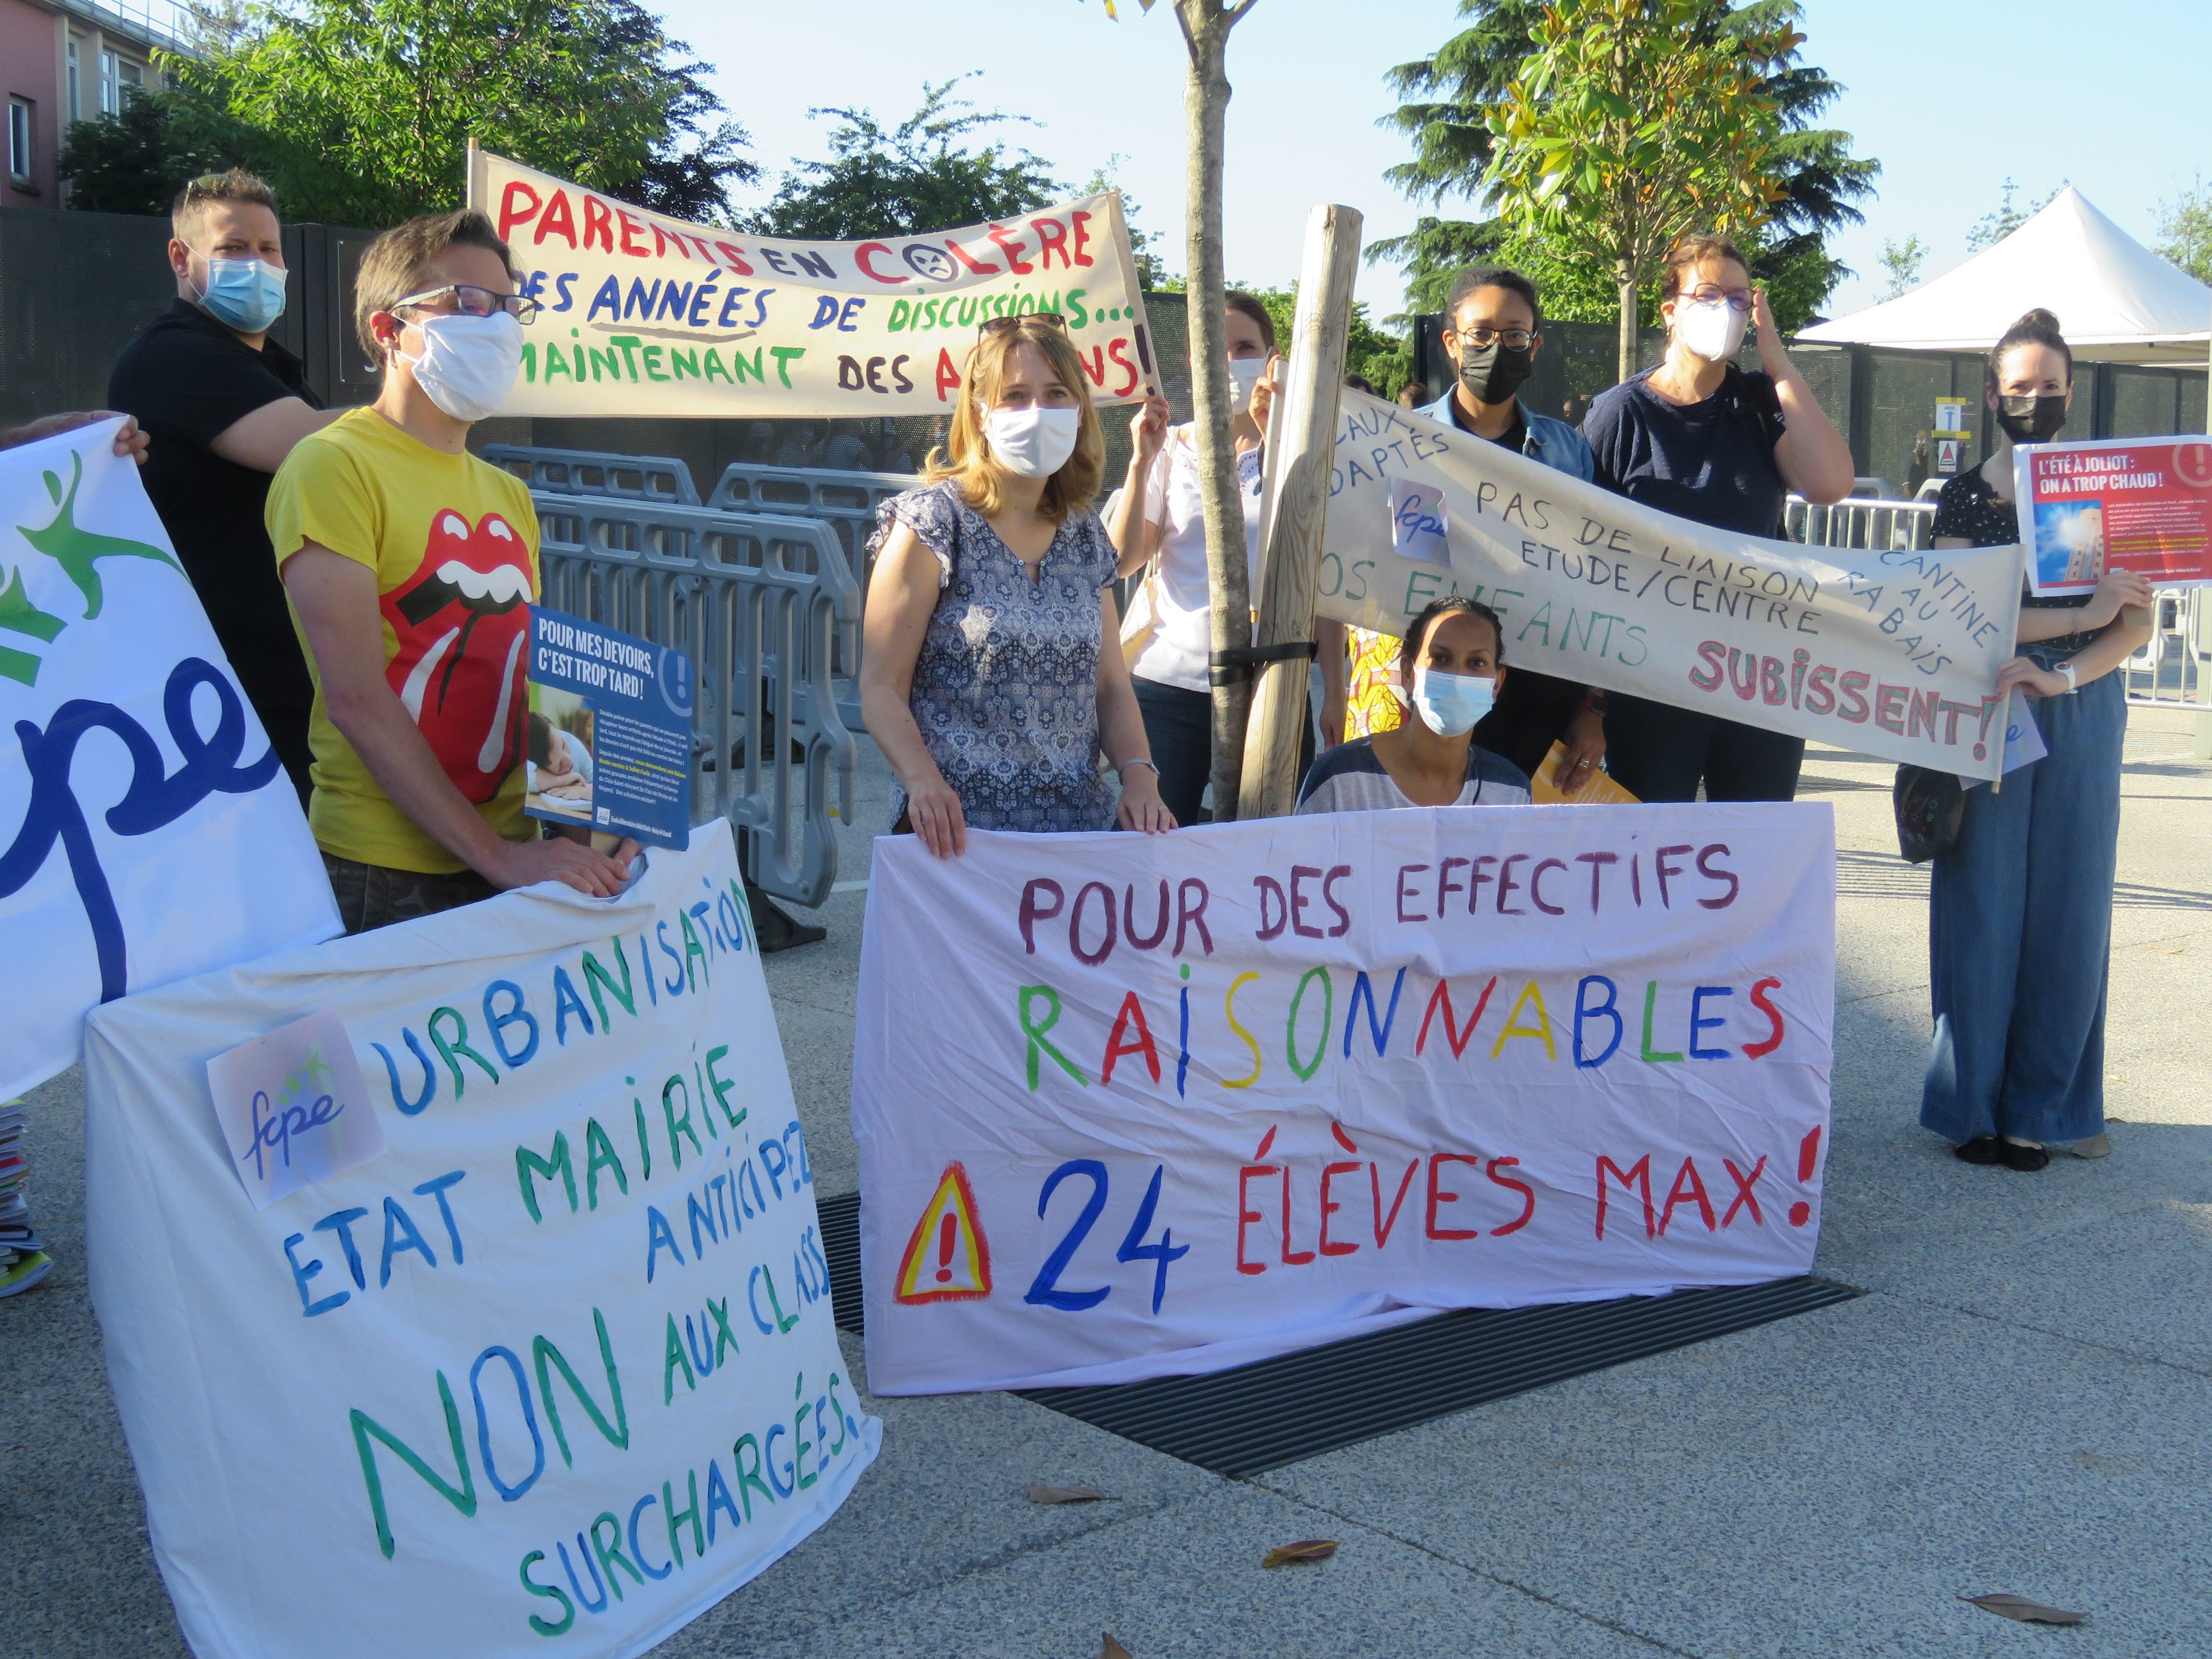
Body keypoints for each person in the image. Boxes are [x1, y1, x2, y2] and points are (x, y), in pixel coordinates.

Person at [268, 208, 637, 934]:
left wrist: (596, 819)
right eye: (468, 303)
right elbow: (355, 698)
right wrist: (497, 857)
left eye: (509, 306)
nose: (497, 324)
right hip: (386, 870)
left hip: (509, 856)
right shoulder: (334, 466)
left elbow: (532, 677)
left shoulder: (508, 496)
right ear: (388, 330)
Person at [1922, 309, 2152, 1172]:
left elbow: (2133, 622)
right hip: (1981, 706)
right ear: (1990, 394)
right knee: (1979, 901)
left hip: (2079, 706)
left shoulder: (2103, 491)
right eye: (2018, 388)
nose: (2033, 401)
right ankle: (1968, 1105)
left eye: (2049, 389)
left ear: (2069, 394)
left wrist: (2063, 669)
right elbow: (1950, 613)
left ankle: (2043, 1110)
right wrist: (2069, 614)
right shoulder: (1963, 496)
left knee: (2069, 907)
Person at [860, 312, 1173, 857]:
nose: (1038, 411)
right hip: (956, 843)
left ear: (1079, 411)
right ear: (980, 413)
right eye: (1015, 395)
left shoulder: (1084, 534)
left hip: (1078, 843)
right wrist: (922, 780)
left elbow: (1111, 687)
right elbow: (881, 687)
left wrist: (1140, 775)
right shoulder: (932, 524)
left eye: (1056, 393)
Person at [1584, 234, 1855, 802]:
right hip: (1652, 679)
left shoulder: (1759, 402)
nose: (1726, 310)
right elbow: (1586, 558)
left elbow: (1830, 484)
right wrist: (1590, 703)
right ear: (1670, 311)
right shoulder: (1621, 414)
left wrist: (1776, 359)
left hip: (1759, 680)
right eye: (1709, 295)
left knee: (1753, 850)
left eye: (1740, 299)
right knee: (1654, 850)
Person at [109, 170, 345, 804]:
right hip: (231, 696)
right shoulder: (174, 355)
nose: (258, 264)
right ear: (181, 258)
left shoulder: (271, 369)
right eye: (234, 248)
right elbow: (312, 449)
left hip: (294, 684)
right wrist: (433, 397)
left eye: (269, 249)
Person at [1108, 291, 1306, 825]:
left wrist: (1327, 690)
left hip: (1272, 684)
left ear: (1272, 357)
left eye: (1243, 347)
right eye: (1212, 350)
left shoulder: (1301, 452)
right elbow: (1124, 560)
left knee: (1269, 853)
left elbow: (1316, 568)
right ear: (1192, 364)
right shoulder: (1169, 447)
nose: (1228, 363)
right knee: (1151, 852)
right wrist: (1139, 463)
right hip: (1172, 686)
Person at [1419, 265, 1609, 789]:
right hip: (1433, 686)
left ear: (1535, 345)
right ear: (1452, 343)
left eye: (1514, 335)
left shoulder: (1568, 452)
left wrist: (1592, 707)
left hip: (1543, 695)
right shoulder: (1410, 443)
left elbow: (1591, 584)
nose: (1497, 346)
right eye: (1481, 333)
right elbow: (1402, 566)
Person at [1298, 596, 1531, 813]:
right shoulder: (1339, 779)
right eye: (1440, 658)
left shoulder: (1511, 792)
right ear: (1409, 672)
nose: (1458, 677)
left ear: (1497, 685)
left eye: (1476, 662)